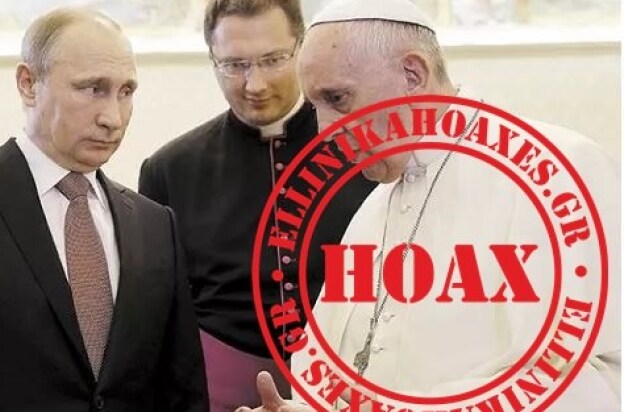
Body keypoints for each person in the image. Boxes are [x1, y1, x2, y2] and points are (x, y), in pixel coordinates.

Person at [239, 0, 621, 410]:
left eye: (339, 98)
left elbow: (593, 381)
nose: (324, 131)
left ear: (412, 74)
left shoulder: (558, 172)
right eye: (317, 107)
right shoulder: (374, 207)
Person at [0, 8, 207, 411]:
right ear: (28, 84)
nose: (113, 117)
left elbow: (182, 393)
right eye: (93, 88)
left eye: (126, 92)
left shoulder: (155, 224)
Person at [138, 0, 376, 410]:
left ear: (301, 48)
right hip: (218, 393)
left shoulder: (364, 149)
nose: (256, 84)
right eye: (235, 65)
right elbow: (159, 316)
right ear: (212, 60)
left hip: (347, 386)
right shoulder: (169, 169)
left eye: (273, 60)